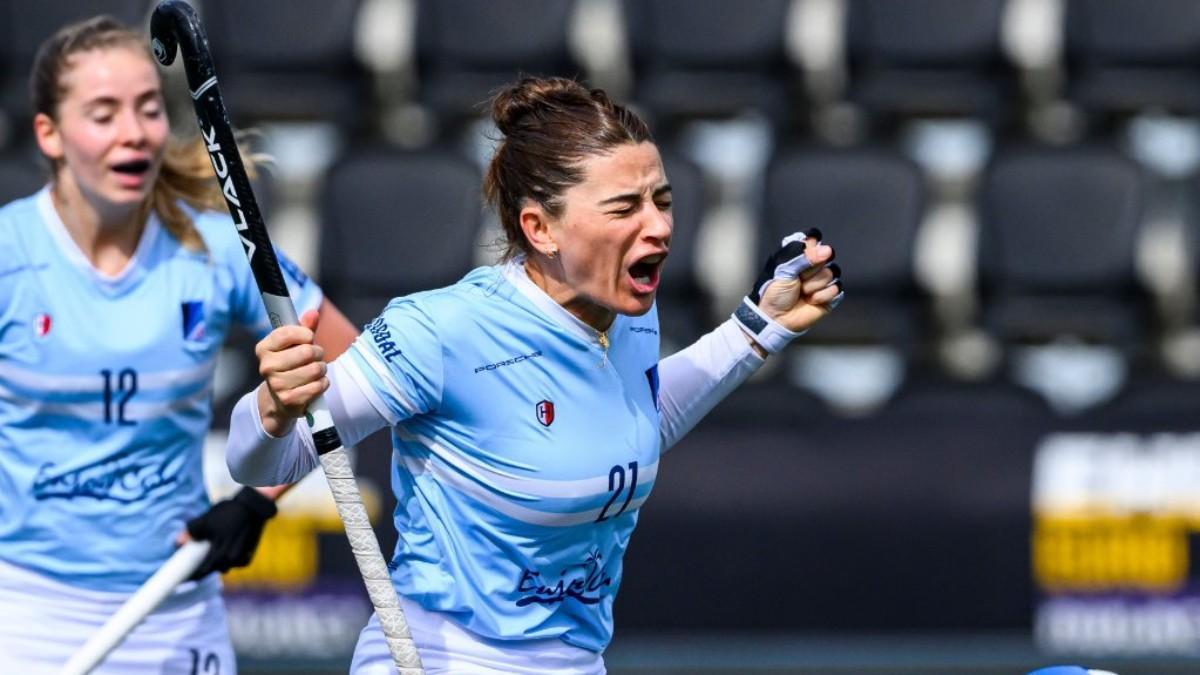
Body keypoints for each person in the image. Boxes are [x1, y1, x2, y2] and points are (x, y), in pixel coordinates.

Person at [226, 76, 843, 674]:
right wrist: (275, 407)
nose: (657, 226)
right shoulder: (440, 332)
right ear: (539, 228)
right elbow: (260, 465)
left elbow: (632, 419)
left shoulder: (630, 312)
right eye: (624, 206)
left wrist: (760, 326)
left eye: (662, 200)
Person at [0, 16, 357, 674]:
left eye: (147, 108)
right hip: (27, 615)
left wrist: (258, 497)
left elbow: (353, 366)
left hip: (174, 604)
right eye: (103, 114)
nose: (134, 131)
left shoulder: (220, 247)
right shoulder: (9, 253)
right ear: (48, 134)